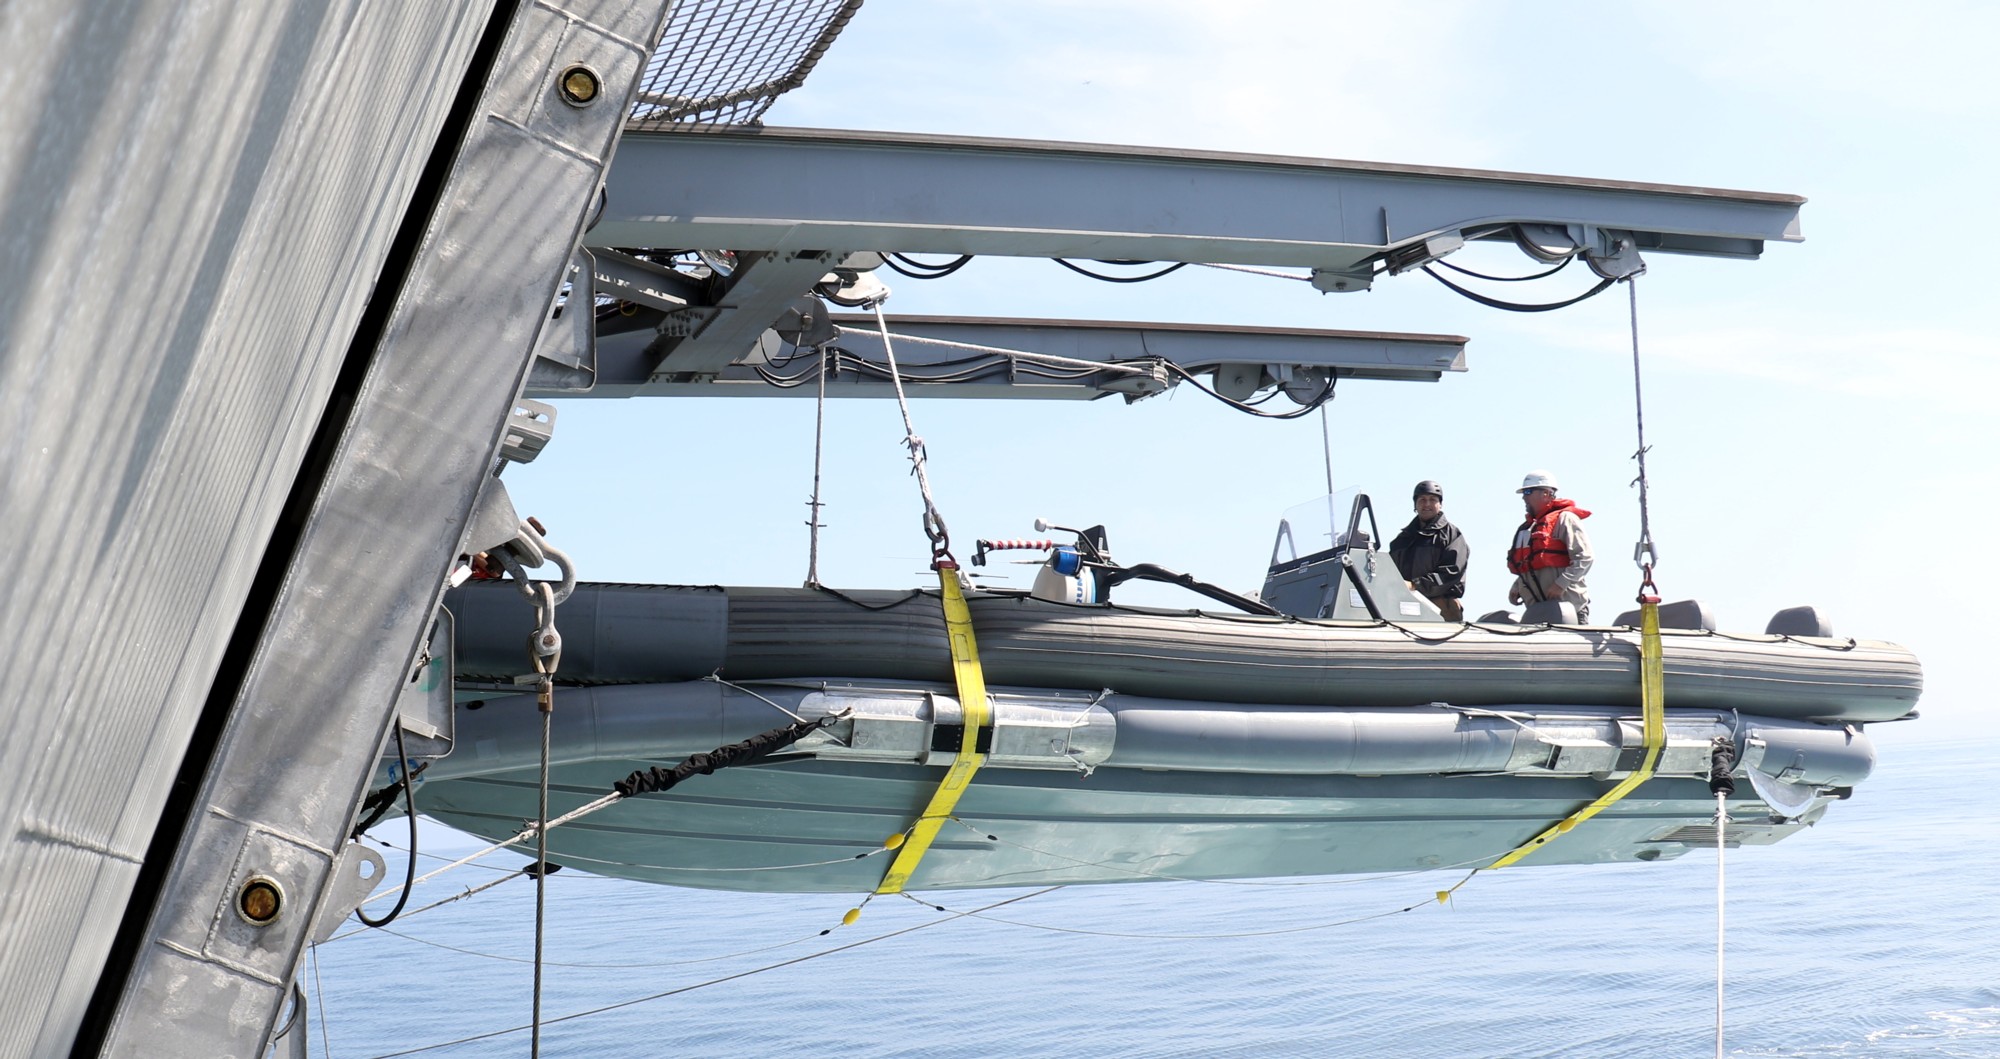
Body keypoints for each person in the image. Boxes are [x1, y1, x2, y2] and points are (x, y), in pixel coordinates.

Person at [1506, 470, 1593, 622]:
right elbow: (1529, 564)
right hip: (1538, 613)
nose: (1524, 497)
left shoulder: (1565, 519)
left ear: (1546, 493)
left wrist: (1561, 584)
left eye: (1527, 491)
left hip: (1569, 612)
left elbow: (1585, 557)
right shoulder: (1528, 528)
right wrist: (1518, 585)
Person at [1389, 480, 1469, 622]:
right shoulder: (1402, 539)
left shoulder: (1452, 535)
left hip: (1441, 608)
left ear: (1440, 504)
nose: (1427, 504)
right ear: (1415, 504)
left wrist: (1415, 585)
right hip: (1405, 608)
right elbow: (1389, 573)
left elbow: (1450, 573)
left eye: (1432, 500)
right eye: (1422, 500)